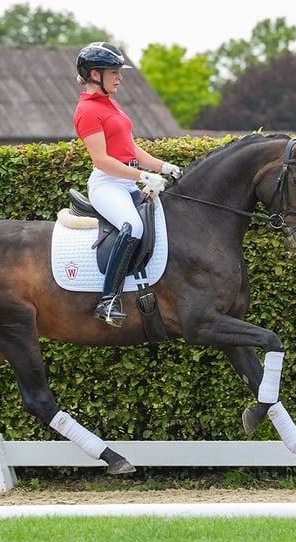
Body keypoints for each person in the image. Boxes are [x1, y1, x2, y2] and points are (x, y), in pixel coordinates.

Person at [73, 41, 182, 328]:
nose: (119, 76)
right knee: (132, 226)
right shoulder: (87, 111)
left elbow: (131, 150)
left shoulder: (111, 104)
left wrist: (163, 166)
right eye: (114, 72)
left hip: (127, 181)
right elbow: (102, 160)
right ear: (95, 75)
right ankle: (108, 299)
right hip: (108, 184)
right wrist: (142, 177)